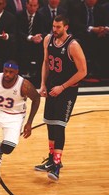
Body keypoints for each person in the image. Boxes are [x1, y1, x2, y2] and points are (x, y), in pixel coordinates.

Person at [34, 15, 87, 181]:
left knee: (59, 126)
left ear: (66, 27)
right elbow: (45, 62)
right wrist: (43, 84)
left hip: (67, 90)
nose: (54, 30)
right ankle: (51, 159)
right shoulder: (48, 39)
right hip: (51, 88)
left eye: (58, 27)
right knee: (50, 123)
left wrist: (62, 87)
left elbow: (83, 72)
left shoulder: (73, 45)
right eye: (53, 26)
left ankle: (57, 164)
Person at [16, 0, 46, 80]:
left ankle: (36, 73)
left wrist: (40, 37)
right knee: (22, 45)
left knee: (40, 47)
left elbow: (44, 31)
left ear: (38, 6)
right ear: (26, 5)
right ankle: (23, 70)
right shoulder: (19, 15)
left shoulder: (41, 17)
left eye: (34, 6)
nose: (32, 8)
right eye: (30, 5)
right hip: (23, 40)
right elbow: (18, 31)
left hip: (37, 42)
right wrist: (30, 38)